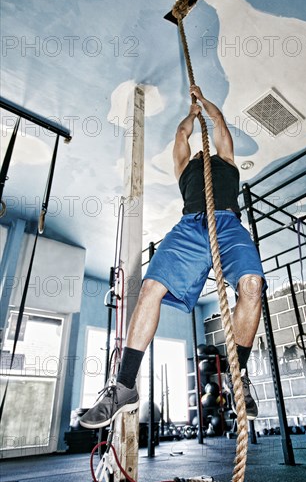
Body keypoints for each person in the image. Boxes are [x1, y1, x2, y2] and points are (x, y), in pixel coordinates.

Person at [80, 85, 266, 429]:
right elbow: (182, 133)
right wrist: (191, 114)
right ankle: (124, 386)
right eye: (195, 153)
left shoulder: (226, 161)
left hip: (227, 223)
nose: (198, 154)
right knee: (151, 288)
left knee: (252, 285)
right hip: (190, 227)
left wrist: (205, 102)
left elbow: (221, 122)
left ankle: (238, 378)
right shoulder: (185, 168)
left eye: (199, 152)